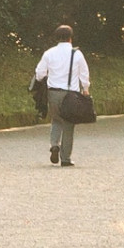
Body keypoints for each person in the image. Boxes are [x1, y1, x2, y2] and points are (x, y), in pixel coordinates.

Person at [33, 26, 90, 166]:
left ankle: (54, 145)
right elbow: (84, 73)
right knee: (69, 124)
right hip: (71, 94)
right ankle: (65, 158)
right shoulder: (76, 54)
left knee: (56, 119)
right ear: (71, 38)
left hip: (53, 93)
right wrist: (86, 89)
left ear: (56, 38)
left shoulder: (49, 53)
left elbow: (39, 73)